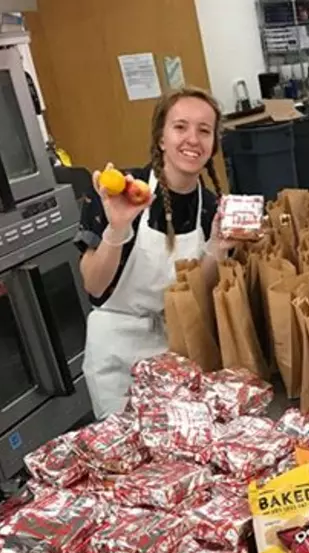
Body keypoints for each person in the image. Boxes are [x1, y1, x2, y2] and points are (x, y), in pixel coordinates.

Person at [75, 86, 236, 418]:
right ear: (161, 138)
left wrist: (218, 247)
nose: (193, 139)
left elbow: (196, 294)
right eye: (180, 127)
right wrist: (117, 227)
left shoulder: (211, 208)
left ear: (212, 146)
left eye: (204, 131)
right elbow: (93, 285)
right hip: (116, 352)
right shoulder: (122, 190)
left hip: (177, 348)